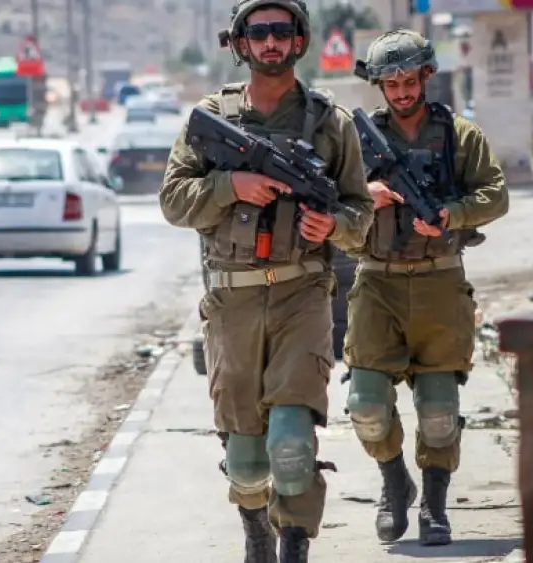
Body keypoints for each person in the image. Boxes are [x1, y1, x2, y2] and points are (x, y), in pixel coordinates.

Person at [159, 1, 373, 561]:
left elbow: (360, 214)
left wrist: (335, 224)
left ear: (300, 41)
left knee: (292, 444)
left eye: (282, 32)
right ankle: (255, 526)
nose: (272, 42)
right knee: (249, 458)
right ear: (240, 43)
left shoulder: (332, 124)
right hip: (232, 299)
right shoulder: (213, 118)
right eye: (260, 33)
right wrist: (233, 186)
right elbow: (174, 202)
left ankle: (294, 543)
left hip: (303, 293)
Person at [345, 29, 509, 547]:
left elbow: (496, 196)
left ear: (426, 76)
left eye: (408, 80)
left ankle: (434, 506)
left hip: (440, 283)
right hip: (376, 284)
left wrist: (452, 214)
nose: (400, 92)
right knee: (366, 405)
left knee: (438, 413)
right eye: (389, 83)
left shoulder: (461, 135)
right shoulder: (358, 141)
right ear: (378, 86)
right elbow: (330, 206)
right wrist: (366, 195)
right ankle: (395, 482)